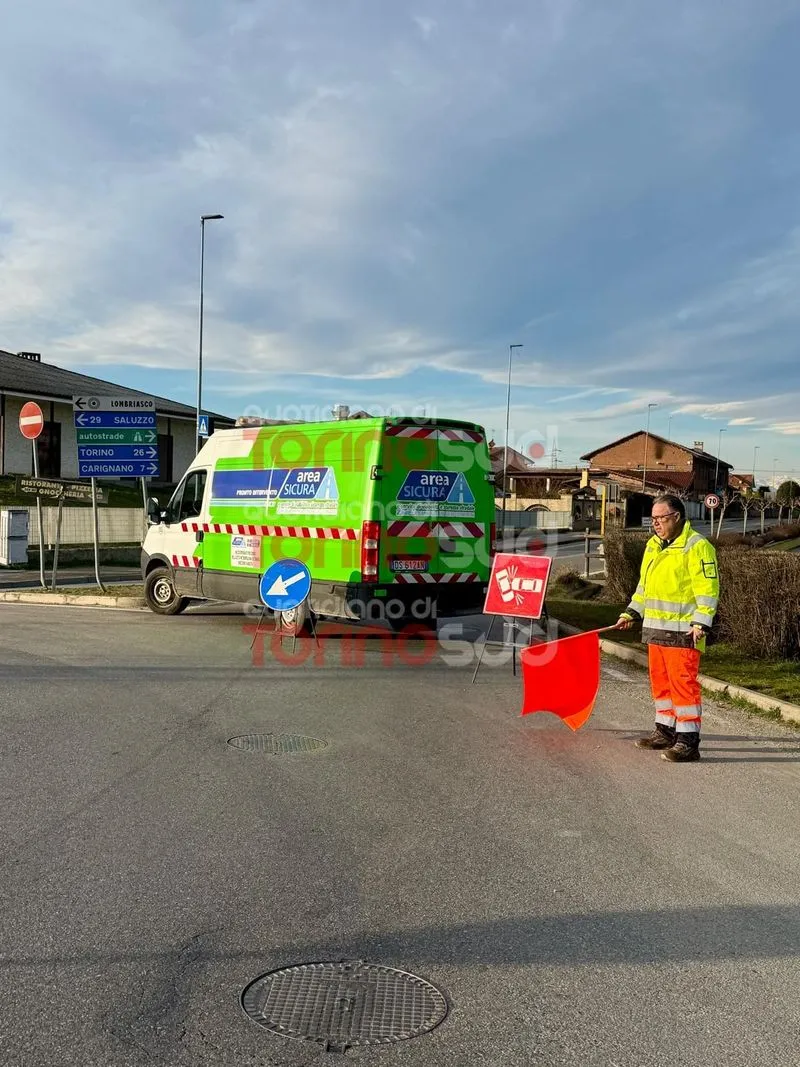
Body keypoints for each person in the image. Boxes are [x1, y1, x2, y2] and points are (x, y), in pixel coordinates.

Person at [616, 495, 720, 762]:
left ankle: (688, 742)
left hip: (684, 632)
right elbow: (644, 587)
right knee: (661, 685)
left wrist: (701, 622)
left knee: (683, 687)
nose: (656, 525)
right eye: (653, 519)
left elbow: (708, 589)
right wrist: (631, 611)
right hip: (655, 630)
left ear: (676, 517)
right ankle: (665, 732)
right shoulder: (653, 545)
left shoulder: (697, 546)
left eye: (661, 519)